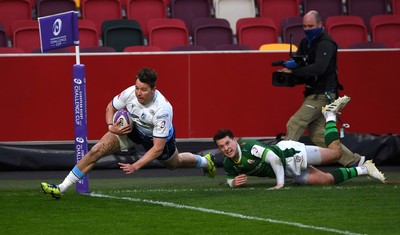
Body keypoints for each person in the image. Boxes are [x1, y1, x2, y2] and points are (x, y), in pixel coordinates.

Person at [41, 67, 216, 199]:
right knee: (96, 150)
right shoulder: (130, 92)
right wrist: (111, 126)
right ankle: (61, 188)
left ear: (153, 90)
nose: (139, 93)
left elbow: (156, 148)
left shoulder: (162, 110)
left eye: (144, 90)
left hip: (155, 138)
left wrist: (136, 165)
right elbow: (110, 106)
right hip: (131, 129)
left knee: (174, 163)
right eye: (137, 88)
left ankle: (204, 161)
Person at [213, 96, 386, 188]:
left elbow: (273, 158)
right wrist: (233, 183)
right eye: (222, 146)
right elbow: (229, 178)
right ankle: (365, 169)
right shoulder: (229, 163)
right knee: (326, 181)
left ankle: (330, 115)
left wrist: (279, 183)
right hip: (289, 171)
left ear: (235, 140)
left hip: (290, 154)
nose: (226, 148)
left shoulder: (248, 146)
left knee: (336, 153)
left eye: (228, 143)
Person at [277, 10, 364, 167]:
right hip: (312, 93)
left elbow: (319, 69)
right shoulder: (305, 43)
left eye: (310, 26)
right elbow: (302, 67)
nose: (307, 29)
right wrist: (288, 72)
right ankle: (355, 161)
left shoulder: (326, 43)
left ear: (320, 25)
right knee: (316, 133)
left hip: (323, 94)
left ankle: (282, 161)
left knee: (295, 123)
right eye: (304, 26)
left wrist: (294, 71)